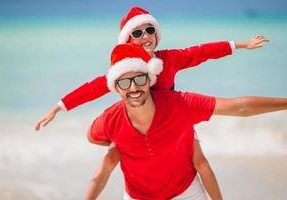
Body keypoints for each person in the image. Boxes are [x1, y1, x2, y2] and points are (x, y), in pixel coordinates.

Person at [35, 6, 269, 200]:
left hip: (173, 120)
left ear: (157, 34)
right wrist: (58, 107)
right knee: (113, 156)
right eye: (136, 33)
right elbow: (92, 89)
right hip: (134, 124)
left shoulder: (169, 59)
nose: (145, 36)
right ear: (127, 40)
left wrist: (240, 44)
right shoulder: (122, 71)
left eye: (149, 29)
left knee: (199, 160)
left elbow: (201, 52)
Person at [87, 43, 287, 200]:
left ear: (149, 80)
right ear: (116, 88)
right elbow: (93, 140)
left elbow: (239, 107)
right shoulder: (110, 120)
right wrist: (118, 144)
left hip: (186, 192)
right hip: (138, 196)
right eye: (124, 82)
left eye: (139, 79)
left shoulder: (179, 104)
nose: (133, 88)